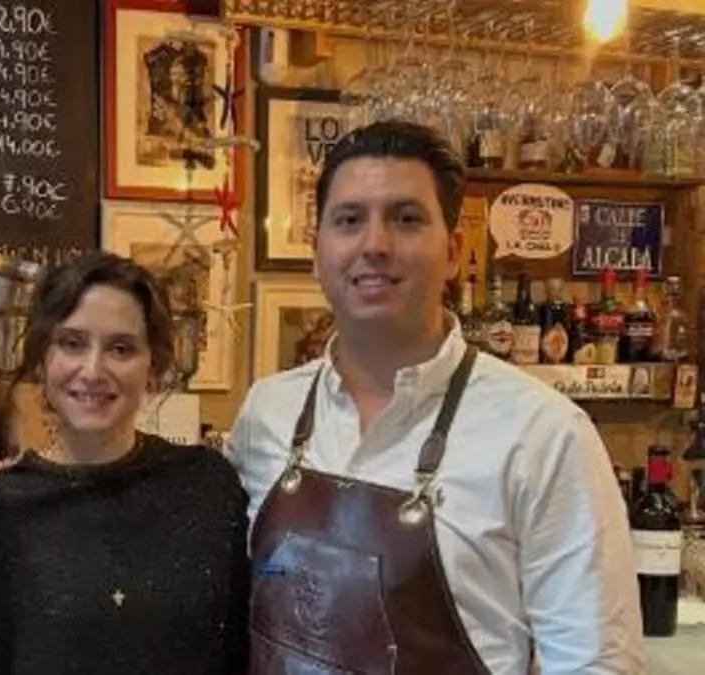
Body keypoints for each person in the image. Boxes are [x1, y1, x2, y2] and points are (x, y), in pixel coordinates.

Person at [228, 121, 643, 674]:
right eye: (349, 220)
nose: (374, 244)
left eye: (406, 219)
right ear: (318, 251)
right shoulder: (267, 413)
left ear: (452, 251)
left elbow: (596, 664)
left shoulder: (543, 435)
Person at [0, 252, 249, 675]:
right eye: (72, 343)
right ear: (43, 356)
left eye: (121, 348)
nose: (93, 370)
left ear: (152, 364)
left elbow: (238, 652)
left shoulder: (208, 486)